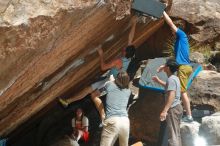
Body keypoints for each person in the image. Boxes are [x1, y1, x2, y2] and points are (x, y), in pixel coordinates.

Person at [59, 16, 137, 107]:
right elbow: (130, 39)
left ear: (125, 52)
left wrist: (101, 54)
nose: (123, 48)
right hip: (110, 79)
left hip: (111, 83)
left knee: (93, 95)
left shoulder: (118, 61)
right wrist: (134, 23)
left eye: (124, 49)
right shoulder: (129, 56)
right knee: (88, 89)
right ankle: (67, 101)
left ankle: (104, 114)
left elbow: (103, 67)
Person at [157, 11, 193, 122]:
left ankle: (189, 117)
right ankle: (184, 114)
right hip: (184, 67)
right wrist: (164, 66)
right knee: (179, 90)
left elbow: (171, 23)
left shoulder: (181, 35)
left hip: (183, 68)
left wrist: (162, 11)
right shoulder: (179, 42)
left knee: (182, 92)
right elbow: (175, 61)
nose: (172, 31)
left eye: (173, 30)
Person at [91, 71, 131, 146]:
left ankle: (102, 114)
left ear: (117, 79)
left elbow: (94, 95)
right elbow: (119, 85)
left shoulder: (109, 85)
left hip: (112, 121)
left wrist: (102, 114)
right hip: (125, 122)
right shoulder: (128, 91)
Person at [153, 58, 183, 146]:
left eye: (165, 66)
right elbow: (168, 86)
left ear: (168, 68)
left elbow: (172, 95)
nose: (164, 67)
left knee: (173, 135)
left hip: (173, 109)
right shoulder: (174, 78)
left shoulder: (171, 79)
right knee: (176, 134)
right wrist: (158, 81)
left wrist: (165, 111)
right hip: (177, 108)